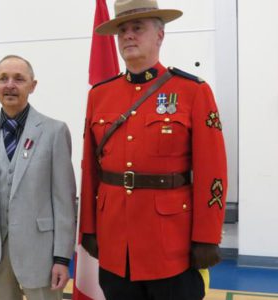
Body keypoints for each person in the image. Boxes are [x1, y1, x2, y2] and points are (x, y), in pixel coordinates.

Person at [79, 0, 228, 299]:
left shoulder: (193, 91)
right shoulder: (100, 95)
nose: (128, 36)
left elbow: (213, 169)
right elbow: (89, 170)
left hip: (170, 244)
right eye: (122, 30)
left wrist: (207, 237)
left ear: (159, 35)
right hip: (115, 242)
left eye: (138, 28)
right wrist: (89, 228)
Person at [0, 55, 76, 300]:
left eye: (19, 78)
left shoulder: (54, 132)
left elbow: (64, 202)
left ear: (32, 85)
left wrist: (62, 258)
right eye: (3, 79)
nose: (10, 85)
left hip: (41, 255)